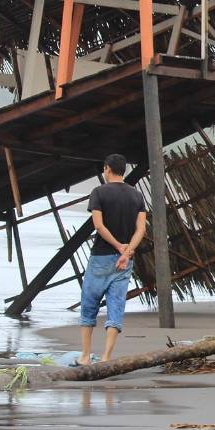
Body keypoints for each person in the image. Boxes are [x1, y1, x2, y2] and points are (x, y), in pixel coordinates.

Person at [77, 154, 147, 365]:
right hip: (124, 261)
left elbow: (98, 225)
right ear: (123, 170)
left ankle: (85, 356)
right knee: (116, 306)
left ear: (107, 169)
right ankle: (106, 357)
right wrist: (126, 252)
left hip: (101, 257)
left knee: (89, 304)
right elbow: (141, 228)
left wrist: (117, 246)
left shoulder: (98, 192)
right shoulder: (136, 196)